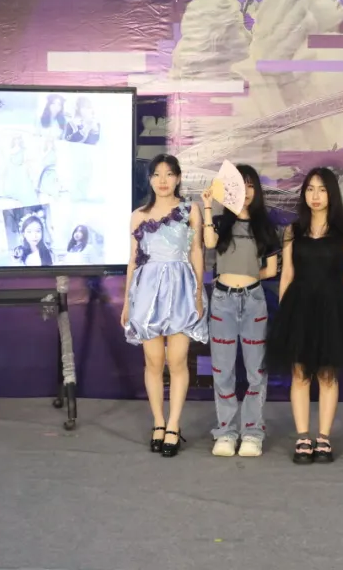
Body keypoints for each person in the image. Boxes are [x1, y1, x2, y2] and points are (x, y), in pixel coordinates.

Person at [265, 168, 343, 464]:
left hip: (333, 309)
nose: (315, 195)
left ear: (332, 193)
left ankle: (324, 438)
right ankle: (303, 437)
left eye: (321, 189)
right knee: (300, 373)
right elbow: (286, 275)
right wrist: (285, 313)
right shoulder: (292, 231)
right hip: (299, 308)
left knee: (328, 375)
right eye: (310, 189)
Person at [121, 154, 208, 457]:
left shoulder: (190, 210)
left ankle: (174, 424)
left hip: (181, 289)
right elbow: (133, 261)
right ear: (149, 179)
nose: (162, 180)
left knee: (178, 360)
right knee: (154, 361)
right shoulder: (138, 215)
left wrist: (198, 293)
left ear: (178, 178)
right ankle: (158, 422)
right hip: (147, 292)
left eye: (169, 174)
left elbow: (196, 252)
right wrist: (127, 301)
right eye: (157, 174)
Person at [200, 164, 280, 458]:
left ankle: (252, 434)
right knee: (222, 371)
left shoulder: (265, 226)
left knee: (256, 371)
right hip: (223, 300)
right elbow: (209, 243)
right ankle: (225, 432)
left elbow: (271, 269)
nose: (245, 192)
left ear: (256, 190)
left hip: (254, 301)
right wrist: (207, 206)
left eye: (250, 185)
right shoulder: (221, 222)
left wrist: (248, 275)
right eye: (238, 185)